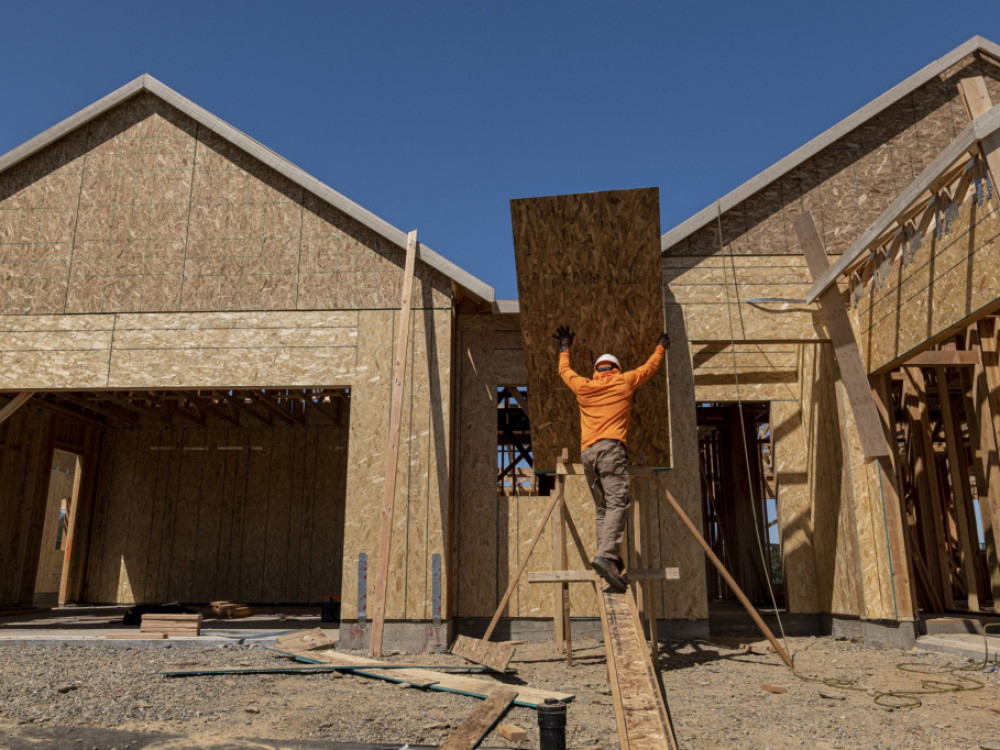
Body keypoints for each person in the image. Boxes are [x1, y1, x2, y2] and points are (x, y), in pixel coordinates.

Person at [554, 325, 669, 592]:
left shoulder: (584, 386)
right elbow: (649, 368)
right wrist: (660, 346)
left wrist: (564, 348)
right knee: (618, 503)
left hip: (587, 455)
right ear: (615, 368)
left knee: (602, 508)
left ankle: (607, 557)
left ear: (597, 369)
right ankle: (606, 556)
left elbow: (564, 372)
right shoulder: (624, 381)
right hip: (610, 450)